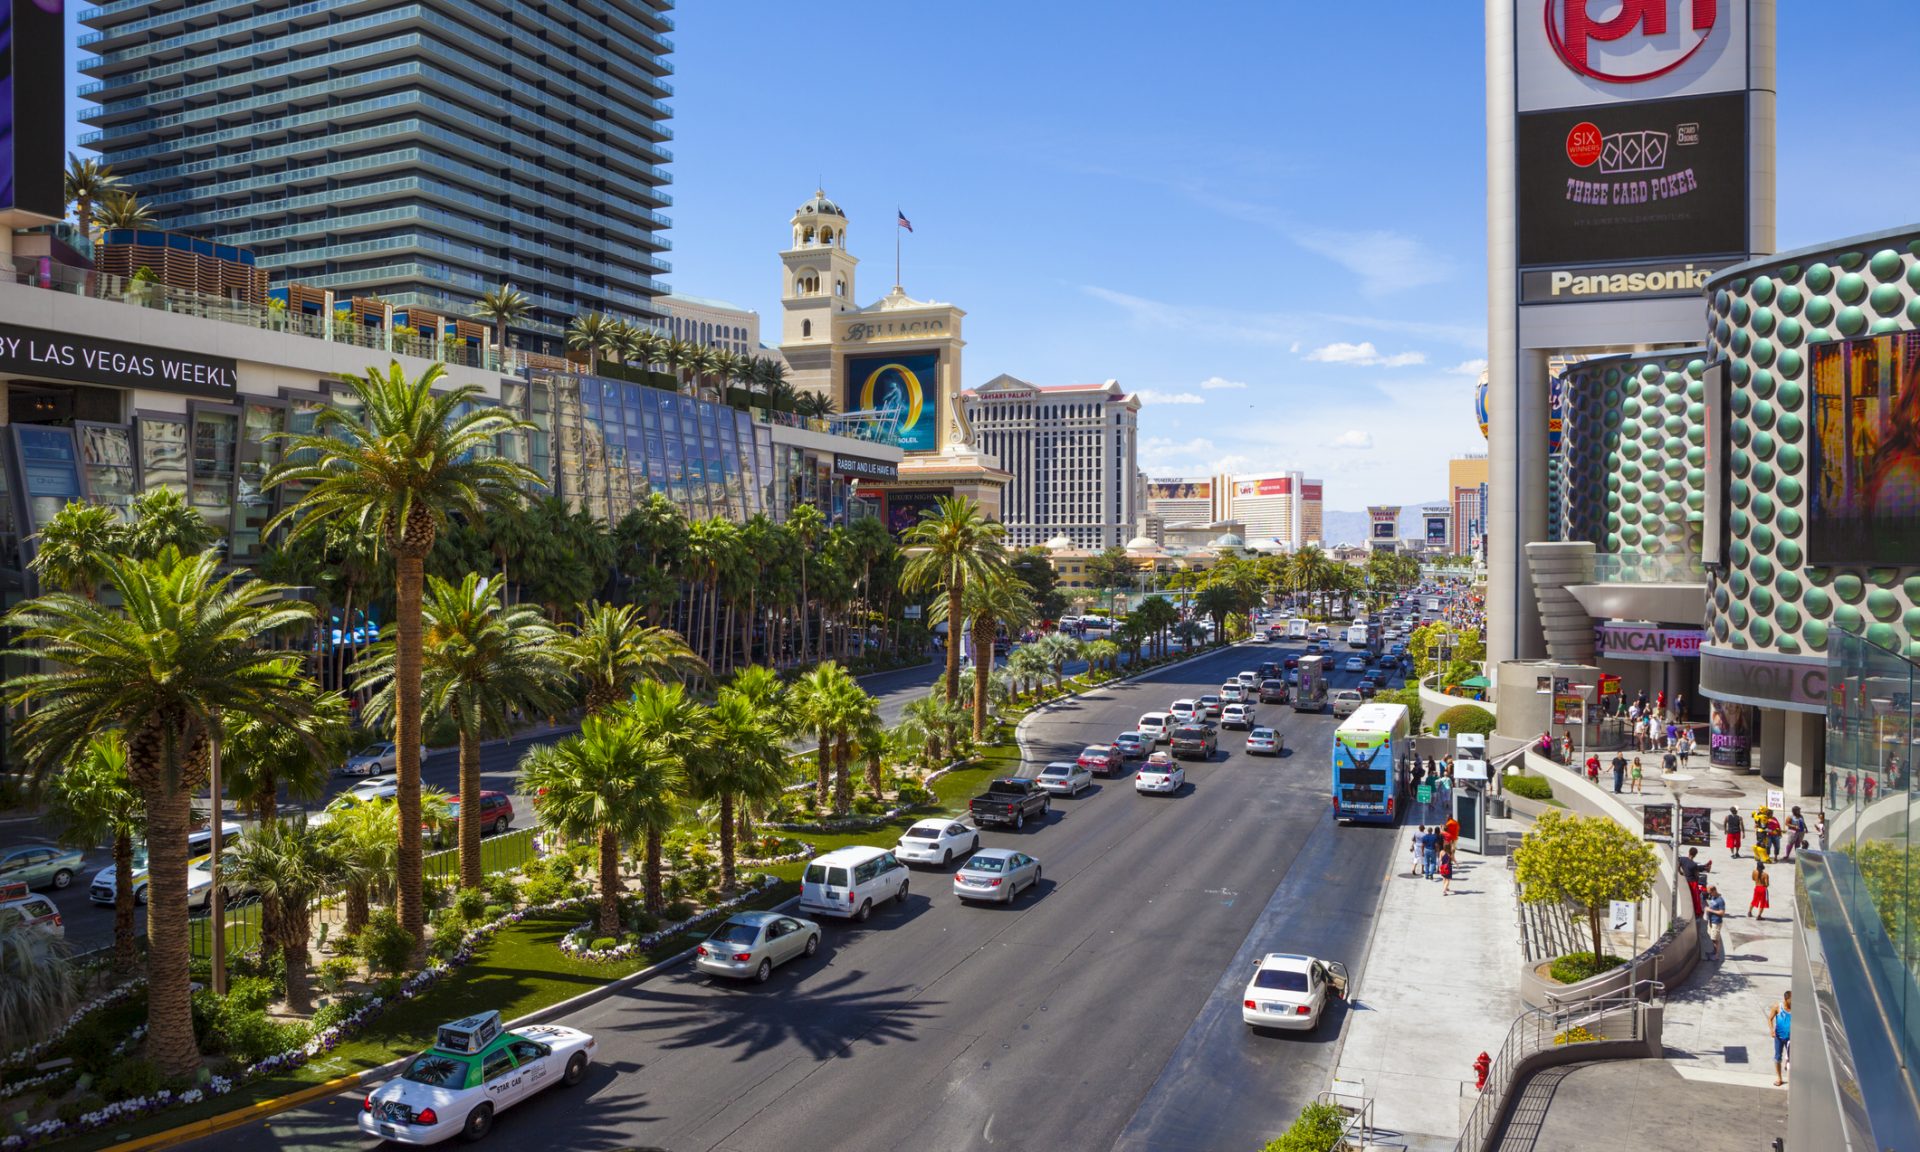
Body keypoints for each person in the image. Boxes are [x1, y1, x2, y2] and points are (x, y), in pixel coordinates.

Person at [1769, 990, 1792, 1086]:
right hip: (1778, 1037)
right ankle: (1779, 1078)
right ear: (1786, 999)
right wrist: (1772, 1030)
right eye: (1791, 1000)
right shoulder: (1777, 1007)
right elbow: (1770, 1019)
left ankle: (1790, 1077)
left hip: (1791, 1038)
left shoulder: (1795, 1009)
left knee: (1792, 1059)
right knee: (1777, 1057)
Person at [1703, 885, 1727, 959]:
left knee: (1715, 939)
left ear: (1714, 891)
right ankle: (1714, 952)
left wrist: (1710, 910)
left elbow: (1722, 913)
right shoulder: (1713, 897)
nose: (1710, 895)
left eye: (1710, 893)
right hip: (1711, 921)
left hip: (1716, 922)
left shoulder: (1720, 901)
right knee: (1713, 937)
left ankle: (1716, 955)